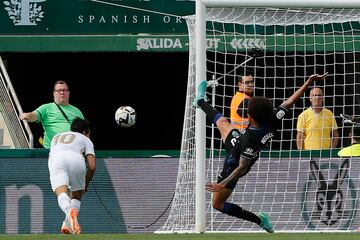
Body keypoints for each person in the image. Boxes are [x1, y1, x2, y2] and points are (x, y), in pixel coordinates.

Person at [193, 73, 328, 233]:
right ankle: (200, 100)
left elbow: (242, 168)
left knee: (217, 204)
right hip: (238, 142)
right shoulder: (272, 119)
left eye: (247, 113)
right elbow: (290, 101)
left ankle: (260, 220)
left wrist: (221, 184)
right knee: (222, 122)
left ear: (251, 118)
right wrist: (309, 81)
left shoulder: (252, 138)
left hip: (234, 163)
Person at [48, 117, 96, 234]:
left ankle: (68, 219)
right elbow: (92, 166)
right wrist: (85, 184)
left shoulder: (56, 137)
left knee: (61, 193)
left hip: (56, 160)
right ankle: (68, 221)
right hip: (76, 159)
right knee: (76, 196)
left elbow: (50, 156)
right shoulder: (86, 139)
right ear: (85, 132)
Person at [20, 80, 84, 149]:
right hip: (53, 150)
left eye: (64, 90)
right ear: (54, 93)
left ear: (68, 93)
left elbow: (85, 131)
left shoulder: (77, 111)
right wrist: (27, 116)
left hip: (74, 149)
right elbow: (34, 116)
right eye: (59, 90)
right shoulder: (46, 108)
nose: (62, 92)